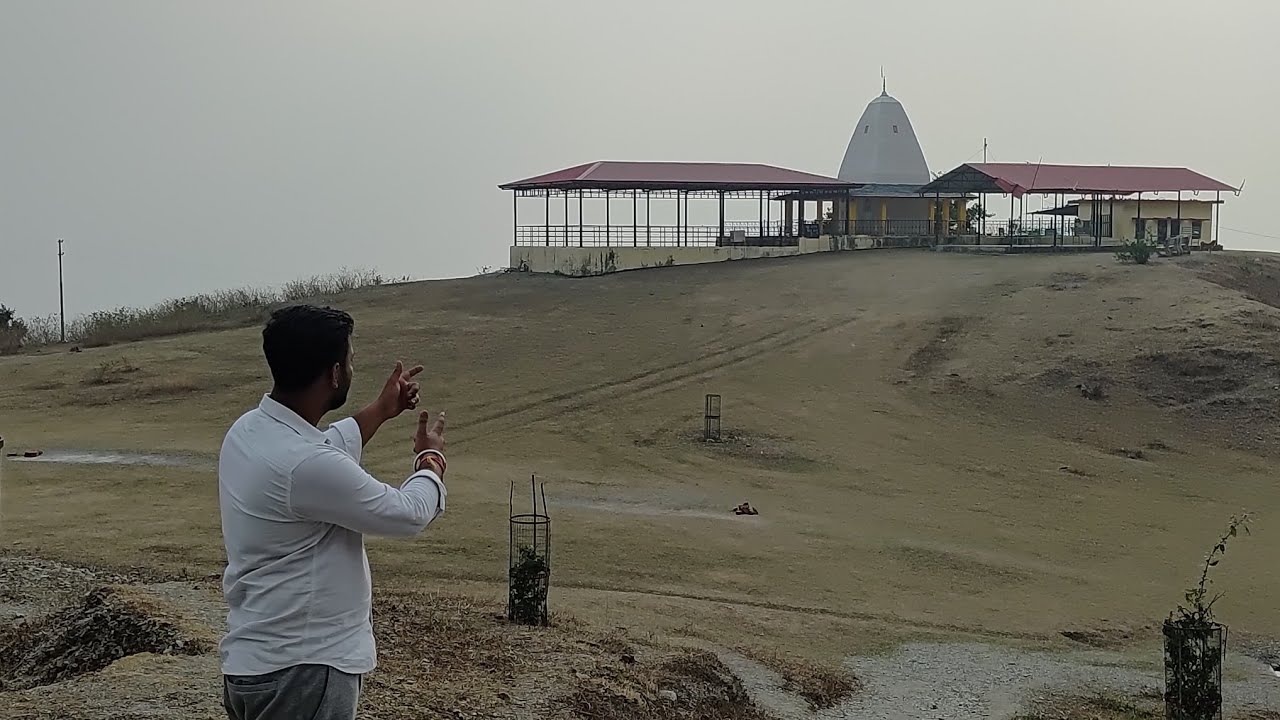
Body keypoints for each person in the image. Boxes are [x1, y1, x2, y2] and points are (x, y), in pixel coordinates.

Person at [217, 304, 448, 720]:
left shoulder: (250, 431)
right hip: (303, 671)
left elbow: (324, 447)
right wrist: (431, 461)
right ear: (335, 374)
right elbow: (407, 514)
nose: (352, 367)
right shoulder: (305, 465)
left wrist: (382, 409)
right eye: (351, 359)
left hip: (254, 664)